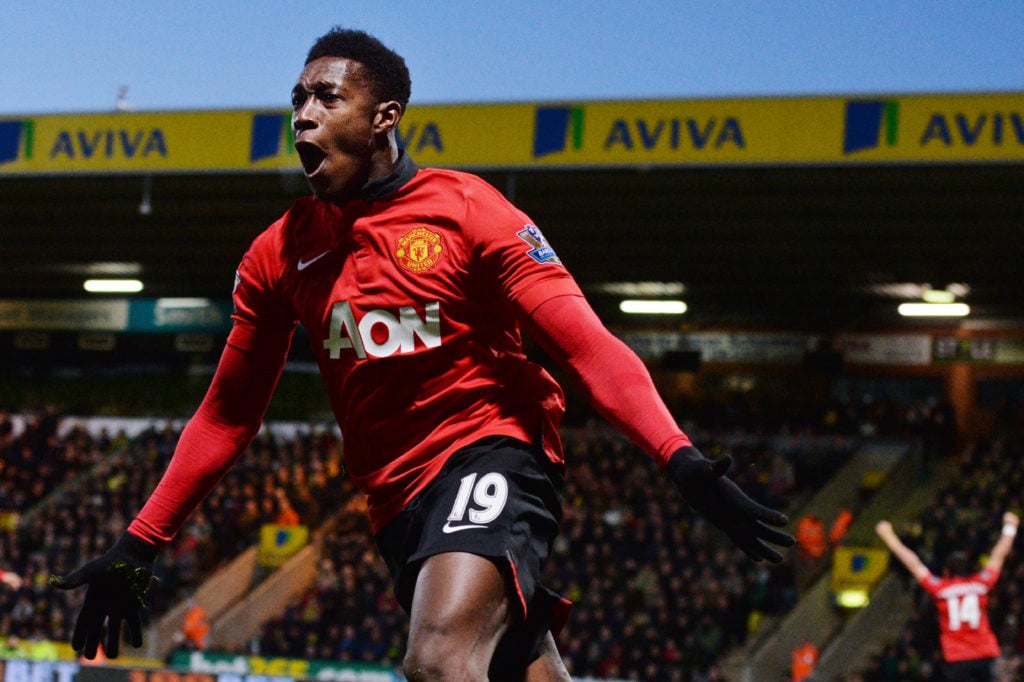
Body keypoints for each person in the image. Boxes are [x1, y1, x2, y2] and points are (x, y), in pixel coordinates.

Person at [50, 27, 793, 680]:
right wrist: (139, 543)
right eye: (297, 98)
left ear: (384, 118)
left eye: (326, 98)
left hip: (495, 454)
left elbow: (587, 347)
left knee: (437, 659)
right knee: (517, 673)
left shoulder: (470, 212)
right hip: (396, 503)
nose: (304, 114)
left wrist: (680, 459)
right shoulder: (278, 253)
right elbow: (227, 417)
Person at [875, 512, 1019, 682]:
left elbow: (913, 563)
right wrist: (1010, 527)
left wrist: (888, 535)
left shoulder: (939, 588)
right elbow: (998, 555)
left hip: (957, 655)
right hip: (984, 652)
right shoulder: (981, 584)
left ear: (946, 572)